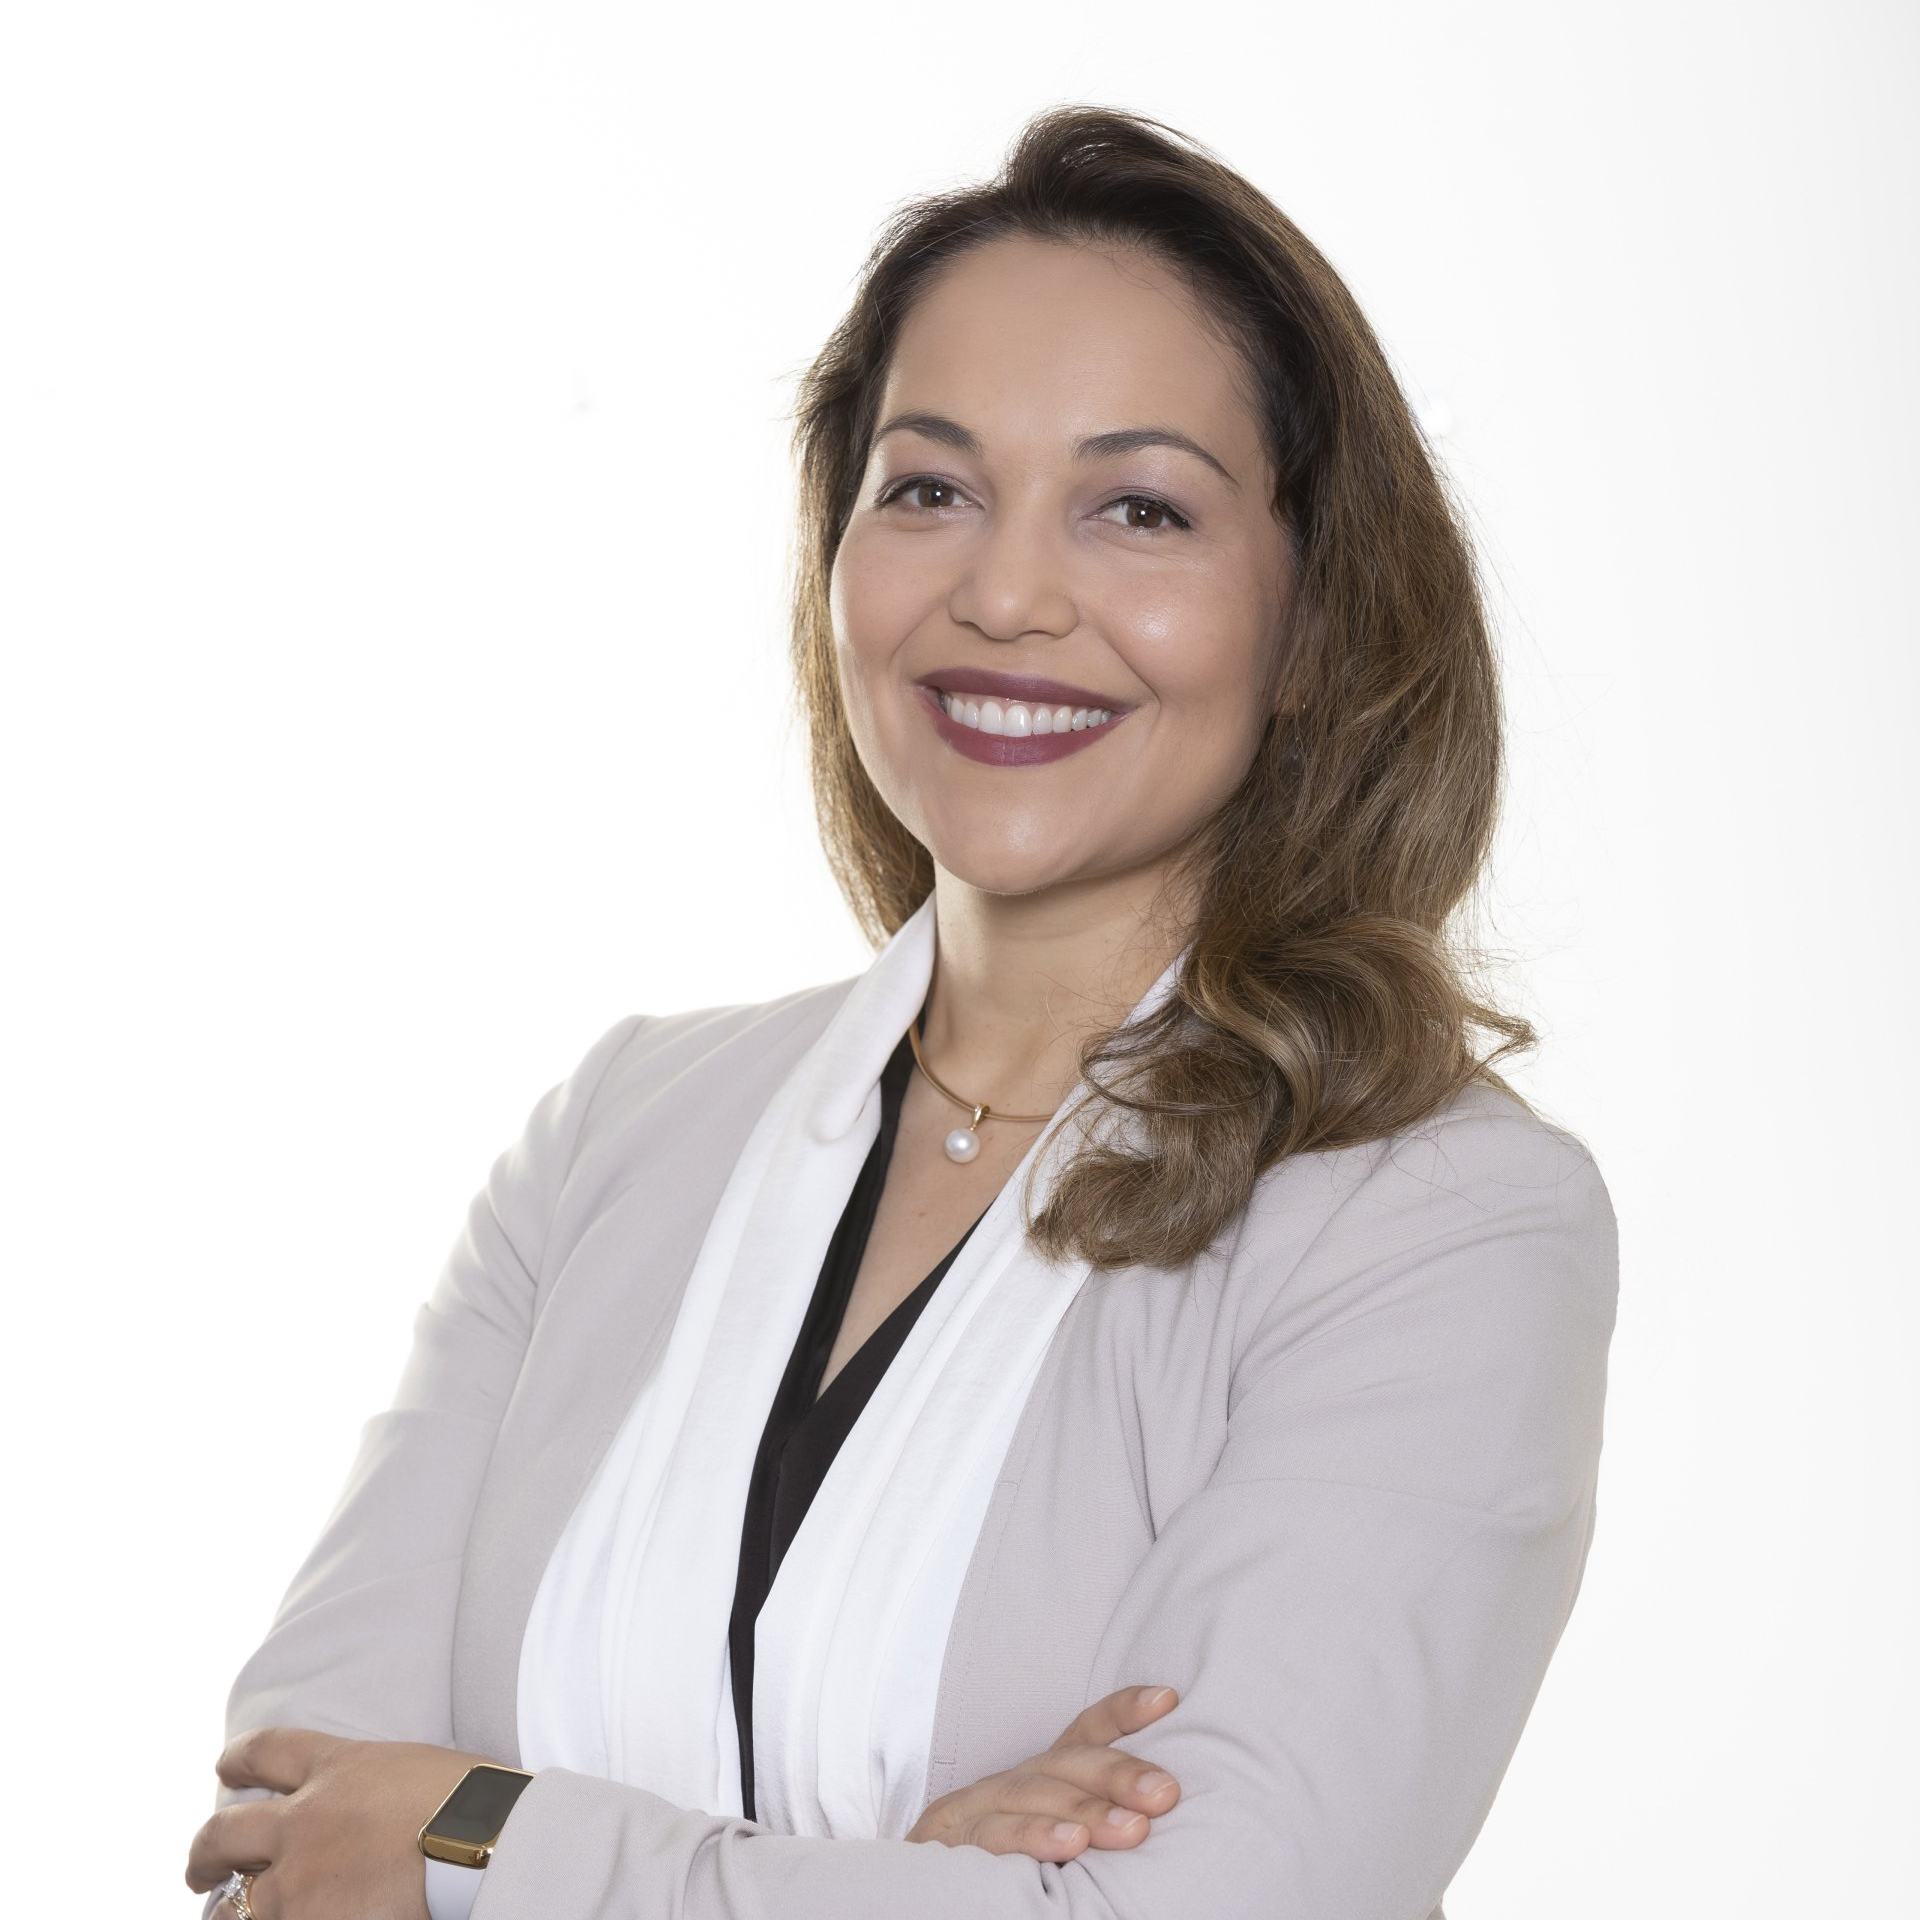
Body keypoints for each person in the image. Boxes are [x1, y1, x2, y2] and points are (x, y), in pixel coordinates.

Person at [184, 103, 1619, 1920]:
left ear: (1318, 612)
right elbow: (295, 1828)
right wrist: (893, 1880)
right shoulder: (622, 1132)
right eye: (929, 488)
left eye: (1141, 508)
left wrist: (491, 1837)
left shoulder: (1433, 1229)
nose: (1005, 594)